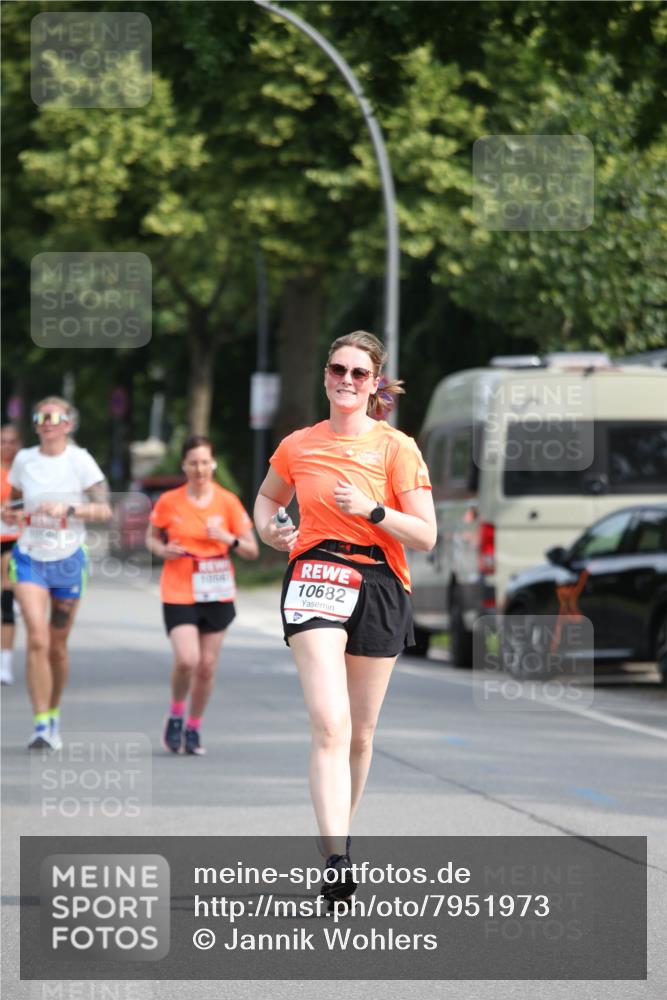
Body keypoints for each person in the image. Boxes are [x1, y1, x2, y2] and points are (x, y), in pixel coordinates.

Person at [254, 330, 436, 905]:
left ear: (375, 381)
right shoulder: (298, 444)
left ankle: (340, 836)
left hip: (380, 581)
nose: (347, 381)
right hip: (315, 575)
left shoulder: (396, 447)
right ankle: (336, 858)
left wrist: (375, 510)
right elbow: (266, 498)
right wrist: (270, 529)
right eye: (338, 369)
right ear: (325, 374)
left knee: (360, 734)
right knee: (329, 724)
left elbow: (427, 535)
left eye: (360, 373)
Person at [2, 397, 111, 749]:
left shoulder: (80, 461)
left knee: (57, 647)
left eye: (54, 416)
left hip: (68, 560)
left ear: (67, 424)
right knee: (37, 637)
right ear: (35, 425)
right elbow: (13, 503)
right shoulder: (24, 460)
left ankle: (54, 711)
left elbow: (104, 509)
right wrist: (13, 514)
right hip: (30, 557)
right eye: (40, 416)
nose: (47, 422)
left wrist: (68, 507)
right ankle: (40, 724)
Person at [146, 435, 259, 756]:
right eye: (193, 462)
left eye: (205, 462)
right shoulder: (169, 501)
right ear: (184, 465)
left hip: (217, 588)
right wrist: (163, 550)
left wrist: (228, 538)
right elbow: (151, 539)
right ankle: (176, 713)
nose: (199, 468)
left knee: (207, 666)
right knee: (187, 660)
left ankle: (194, 726)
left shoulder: (228, 502)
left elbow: (251, 549)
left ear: (214, 464)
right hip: (179, 587)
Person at [1, 424, 22, 684]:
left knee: (6, 599)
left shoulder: (25, 473)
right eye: (2, 441)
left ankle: (4, 663)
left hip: (14, 539)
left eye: (11, 442)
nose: (7, 446)